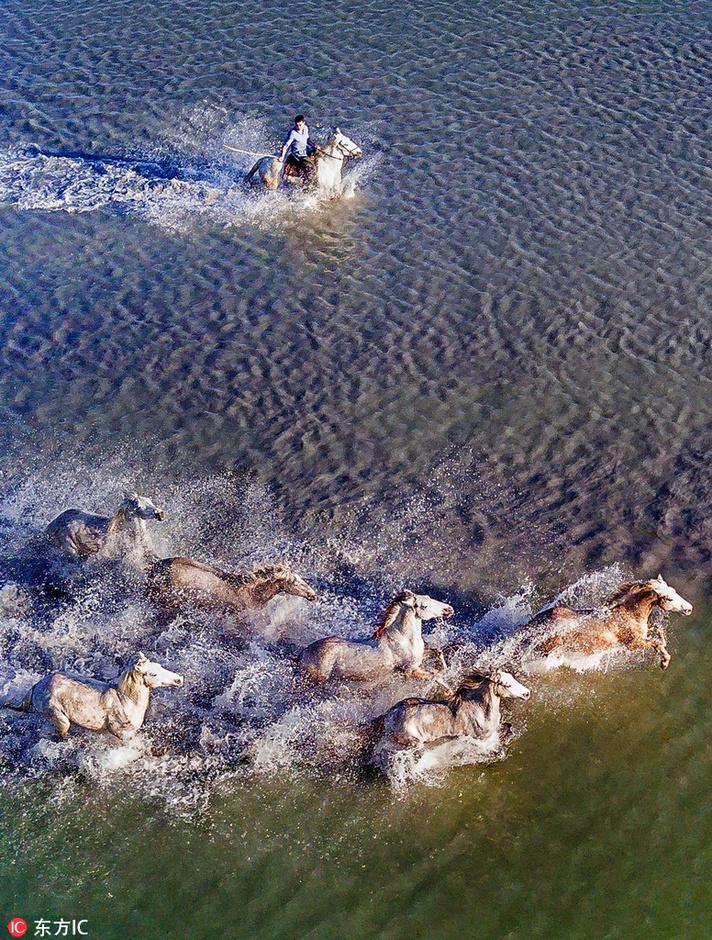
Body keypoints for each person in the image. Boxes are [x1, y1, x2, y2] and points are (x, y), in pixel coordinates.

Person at [279, 114, 318, 183]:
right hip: (298, 155)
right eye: (297, 125)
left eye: (300, 125)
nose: (298, 127)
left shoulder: (305, 128)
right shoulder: (293, 133)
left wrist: (313, 145)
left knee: (318, 155)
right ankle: (307, 184)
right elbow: (286, 145)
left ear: (303, 123)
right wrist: (282, 156)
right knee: (309, 168)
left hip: (305, 150)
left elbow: (307, 139)